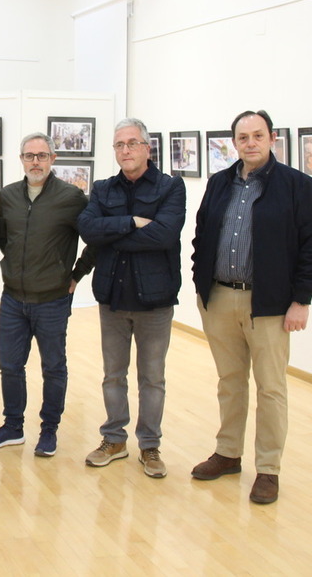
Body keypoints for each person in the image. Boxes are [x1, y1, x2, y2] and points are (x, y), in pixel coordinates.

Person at [191, 109, 312, 504]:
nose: (250, 143)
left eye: (257, 135)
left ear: (273, 139)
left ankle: (268, 469)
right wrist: (201, 287)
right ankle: (228, 453)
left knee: (271, 389)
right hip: (219, 299)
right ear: (233, 143)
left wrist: (302, 300)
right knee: (229, 383)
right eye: (242, 137)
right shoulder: (219, 183)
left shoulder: (297, 186)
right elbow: (202, 237)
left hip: (269, 304)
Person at [77, 118, 186, 478]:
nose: (125, 150)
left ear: (147, 148)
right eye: (119, 145)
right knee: (113, 375)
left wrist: (113, 232)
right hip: (113, 297)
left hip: (154, 301)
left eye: (132, 143)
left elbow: (164, 237)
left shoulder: (171, 188)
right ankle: (114, 439)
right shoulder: (103, 188)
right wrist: (133, 223)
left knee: (152, 378)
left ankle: (150, 446)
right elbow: (88, 228)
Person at [0, 133, 95, 456]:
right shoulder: (11, 195)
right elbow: (5, 239)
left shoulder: (72, 197)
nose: (35, 162)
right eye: (29, 156)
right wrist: (15, 266)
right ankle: (13, 427)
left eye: (42, 155)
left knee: (53, 367)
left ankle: (49, 430)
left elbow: (96, 238)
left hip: (53, 300)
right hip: (14, 298)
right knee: (10, 365)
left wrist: (76, 274)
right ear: (21, 160)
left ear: (53, 159)